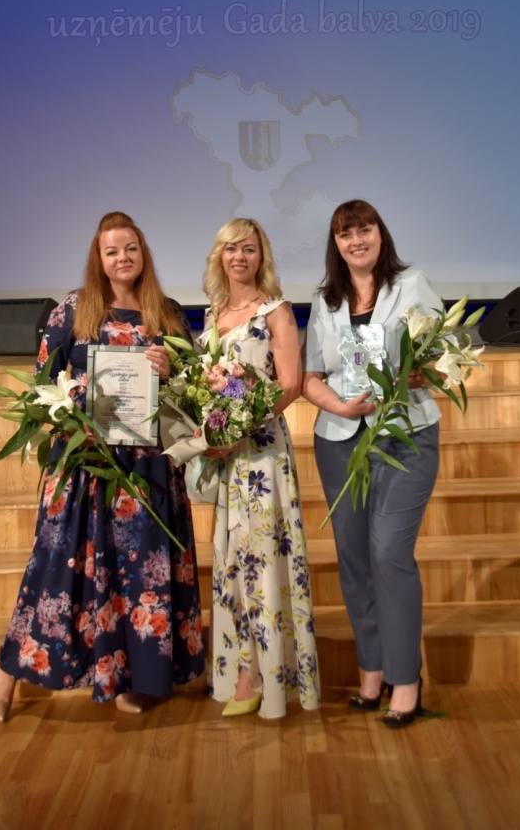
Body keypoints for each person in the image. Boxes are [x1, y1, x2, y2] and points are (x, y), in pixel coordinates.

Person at [0, 212, 204, 721]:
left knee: (139, 577)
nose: (122, 258)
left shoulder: (168, 313)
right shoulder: (74, 309)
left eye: (130, 248)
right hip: (86, 463)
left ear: (143, 253)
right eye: (112, 251)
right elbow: (42, 386)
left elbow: (193, 390)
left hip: (147, 469)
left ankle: (129, 678)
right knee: (56, 569)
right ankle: (5, 668)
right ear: (98, 259)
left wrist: (173, 368)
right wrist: (73, 418)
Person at [302, 199, 442, 728]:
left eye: (364, 229)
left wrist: (425, 372)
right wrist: (338, 407)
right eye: (346, 234)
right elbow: (311, 376)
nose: (356, 240)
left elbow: (445, 356)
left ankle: (406, 678)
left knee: (389, 554)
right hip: (339, 438)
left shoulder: (412, 286)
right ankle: (373, 668)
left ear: (380, 234)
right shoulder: (325, 301)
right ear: (336, 244)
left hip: (405, 435)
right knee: (356, 559)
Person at [200, 217, 320, 719]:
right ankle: (242, 671)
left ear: (261, 257)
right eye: (231, 249)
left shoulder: (276, 311)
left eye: (249, 249)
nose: (239, 257)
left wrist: (241, 427)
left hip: (263, 453)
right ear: (219, 257)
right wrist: (212, 432)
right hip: (229, 460)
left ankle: (268, 679)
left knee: (264, 558)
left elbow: (289, 383)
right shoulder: (213, 315)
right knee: (233, 559)